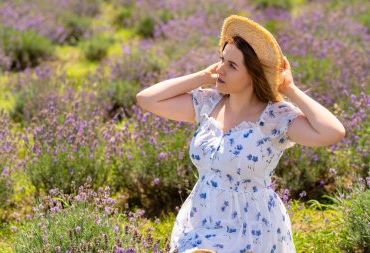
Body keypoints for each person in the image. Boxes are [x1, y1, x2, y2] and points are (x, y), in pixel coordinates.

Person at [136, 15, 345, 253]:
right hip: (201, 220)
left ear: (253, 75)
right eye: (222, 60)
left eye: (232, 66)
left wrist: (290, 90)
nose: (221, 69)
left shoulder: (275, 118)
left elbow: (333, 132)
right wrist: (203, 76)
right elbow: (147, 99)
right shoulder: (208, 104)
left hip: (252, 227)